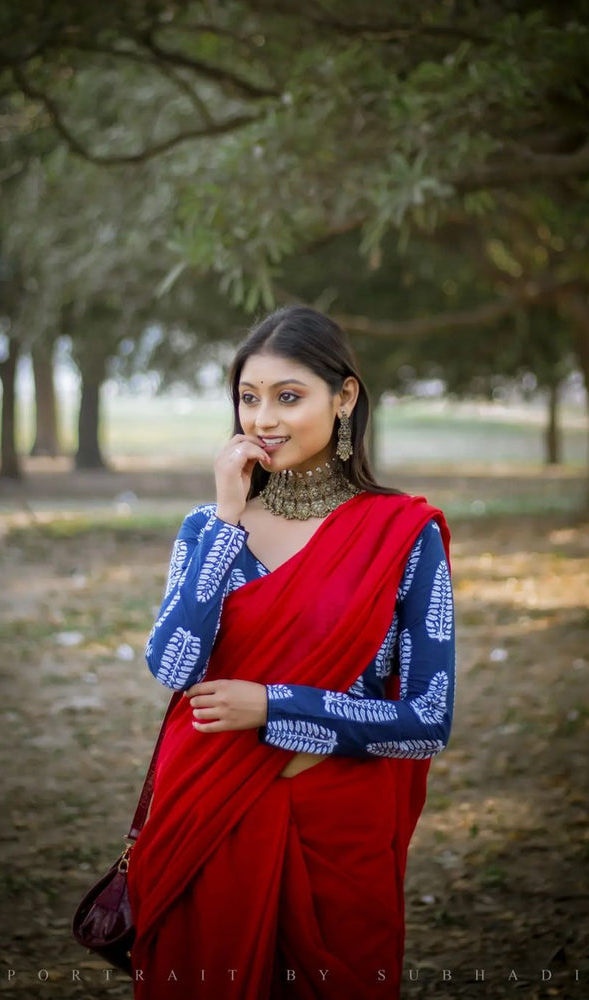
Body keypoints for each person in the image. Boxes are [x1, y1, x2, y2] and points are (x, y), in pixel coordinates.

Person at [127, 305, 455, 999]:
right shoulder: (207, 529)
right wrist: (226, 519)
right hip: (209, 817)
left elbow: (427, 718)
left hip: (338, 832)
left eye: (288, 397)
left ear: (344, 398)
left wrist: (274, 707)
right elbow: (173, 668)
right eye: (249, 398)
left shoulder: (402, 535)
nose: (263, 419)